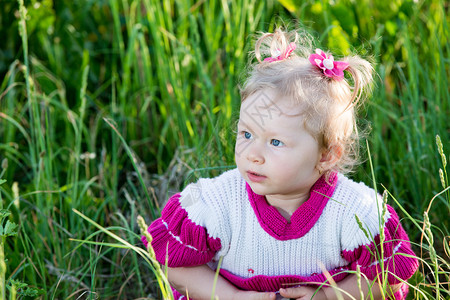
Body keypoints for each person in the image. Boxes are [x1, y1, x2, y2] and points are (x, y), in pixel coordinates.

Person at [142, 28, 419, 300]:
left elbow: (389, 278)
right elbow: (171, 262)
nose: (253, 154)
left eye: (275, 142)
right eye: (246, 134)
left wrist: (328, 296)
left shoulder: (355, 211)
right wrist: (230, 296)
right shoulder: (216, 203)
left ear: (326, 156)